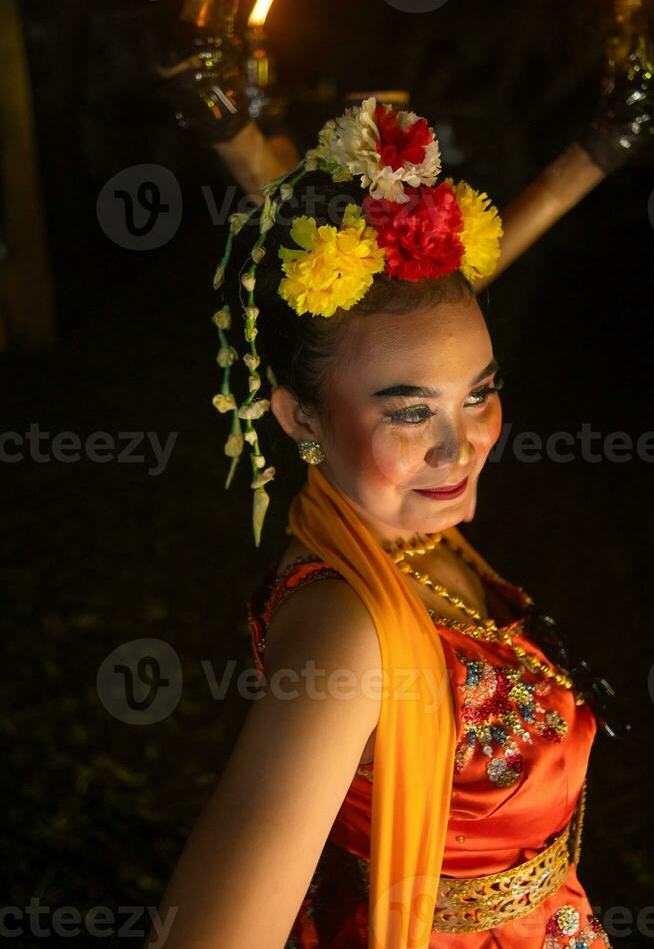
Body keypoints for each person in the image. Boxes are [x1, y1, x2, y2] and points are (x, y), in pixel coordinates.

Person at [145, 99, 612, 948]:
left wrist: (603, 145)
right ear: (301, 420)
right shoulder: (345, 634)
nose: (459, 445)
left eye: (479, 393)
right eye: (409, 414)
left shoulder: (415, 533)